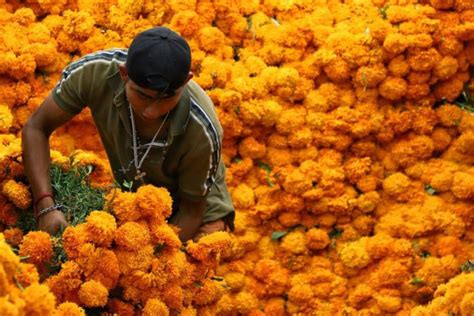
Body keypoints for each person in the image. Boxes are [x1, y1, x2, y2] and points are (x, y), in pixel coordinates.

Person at [21, 26, 234, 241]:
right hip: (134, 193)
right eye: (143, 96)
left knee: (197, 254)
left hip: (195, 206)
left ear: (187, 81)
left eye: (166, 99)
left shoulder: (203, 130)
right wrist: (45, 205)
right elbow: (36, 128)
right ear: (124, 74)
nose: (152, 111)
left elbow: (192, 212)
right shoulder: (95, 73)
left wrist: (152, 259)